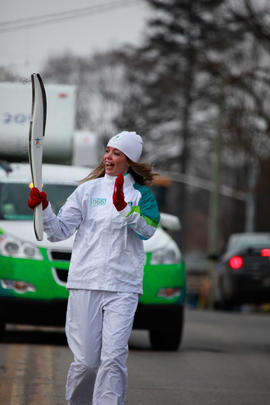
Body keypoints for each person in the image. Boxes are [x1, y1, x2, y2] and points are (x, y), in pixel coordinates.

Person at [28, 131, 160, 405]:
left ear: (129, 161)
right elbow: (59, 230)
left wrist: (126, 210)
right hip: (85, 282)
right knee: (86, 363)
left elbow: (148, 230)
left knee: (113, 358)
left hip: (122, 287)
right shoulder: (88, 191)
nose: (109, 157)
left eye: (117, 153)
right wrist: (44, 208)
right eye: (109, 150)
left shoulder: (141, 195)